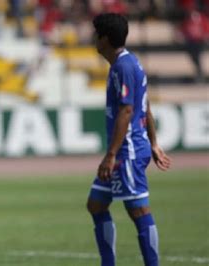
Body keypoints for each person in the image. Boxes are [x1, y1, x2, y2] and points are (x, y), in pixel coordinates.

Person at [86, 13, 171, 266]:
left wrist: (111, 154)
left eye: (96, 34)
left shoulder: (124, 67)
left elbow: (128, 110)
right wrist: (154, 143)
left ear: (105, 39)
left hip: (127, 152)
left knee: (139, 211)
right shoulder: (126, 63)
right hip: (130, 147)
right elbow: (145, 105)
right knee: (96, 204)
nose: (93, 39)